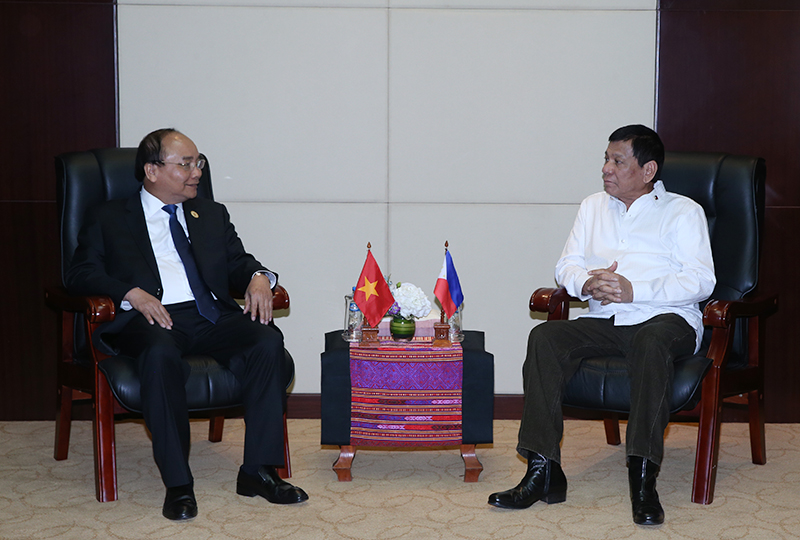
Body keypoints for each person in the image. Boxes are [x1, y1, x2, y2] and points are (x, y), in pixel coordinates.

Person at [66, 128, 308, 520]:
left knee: (266, 341)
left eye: (199, 163)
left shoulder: (210, 213)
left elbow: (237, 262)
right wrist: (130, 292)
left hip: (210, 315)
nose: (197, 172)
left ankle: (259, 471)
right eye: (186, 164)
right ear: (152, 170)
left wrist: (259, 277)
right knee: (160, 355)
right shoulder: (109, 217)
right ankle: (179, 484)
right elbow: (79, 273)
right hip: (151, 318)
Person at [487, 125, 716, 525]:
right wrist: (586, 284)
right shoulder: (593, 206)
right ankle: (542, 471)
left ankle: (643, 480)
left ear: (648, 170)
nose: (606, 168)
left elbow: (701, 281)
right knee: (545, 337)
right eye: (606, 159)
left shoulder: (683, 212)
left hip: (668, 319)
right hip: (605, 320)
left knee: (650, 341)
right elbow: (567, 265)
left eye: (617, 161)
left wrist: (634, 290)